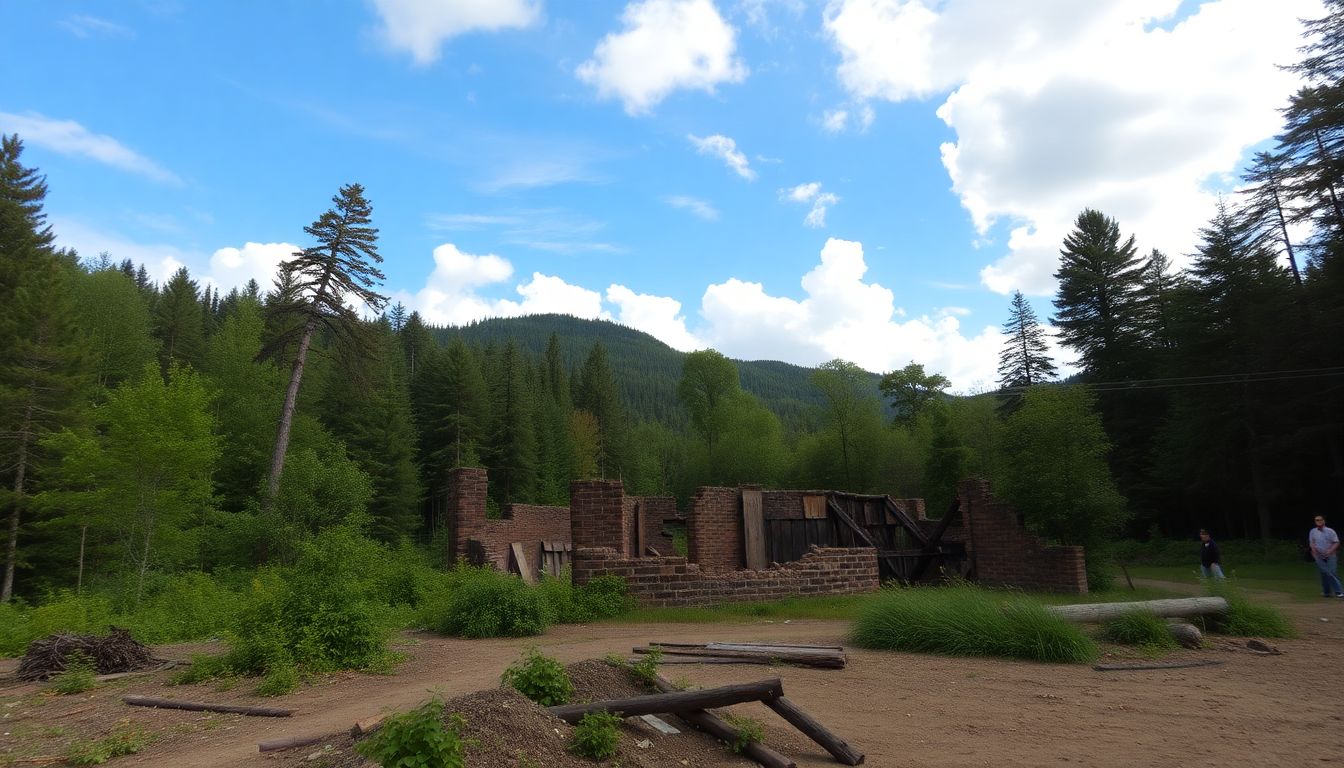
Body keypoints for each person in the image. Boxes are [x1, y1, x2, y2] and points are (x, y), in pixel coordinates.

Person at [1308, 515, 1343, 598]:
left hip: (1331, 555)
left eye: (1320, 520)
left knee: (1331, 572)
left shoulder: (1330, 531)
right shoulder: (1313, 531)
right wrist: (1313, 550)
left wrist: (1330, 551)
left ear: (1324, 521)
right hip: (1318, 556)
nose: (1318, 521)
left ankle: (1339, 592)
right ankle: (1326, 592)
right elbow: (1311, 542)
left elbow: (1336, 542)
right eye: (1316, 520)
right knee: (1324, 573)